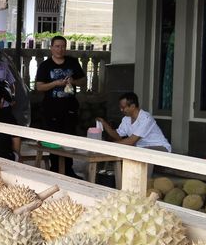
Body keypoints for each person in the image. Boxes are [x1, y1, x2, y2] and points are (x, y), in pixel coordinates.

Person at [34, 35, 86, 178]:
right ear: (51, 48)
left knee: (69, 139)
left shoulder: (72, 62)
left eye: (63, 46)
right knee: (54, 141)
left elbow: (83, 81)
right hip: (51, 108)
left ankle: (68, 170)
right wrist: (55, 83)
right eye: (57, 46)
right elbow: (39, 87)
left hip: (70, 107)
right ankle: (55, 169)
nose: (60, 49)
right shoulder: (45, 65)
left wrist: (73, 81)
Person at [98, 92, 171, 152]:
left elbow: (131, 141)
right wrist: (104, 123)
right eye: (120, 107)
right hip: (140, 148)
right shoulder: (126, 119)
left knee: (140, 152)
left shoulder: (146, 118)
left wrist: (108, 145)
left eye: (123, 107)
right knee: (132, 151)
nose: (121, 110)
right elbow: (117, 135)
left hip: (160, 147)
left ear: (132, 106)